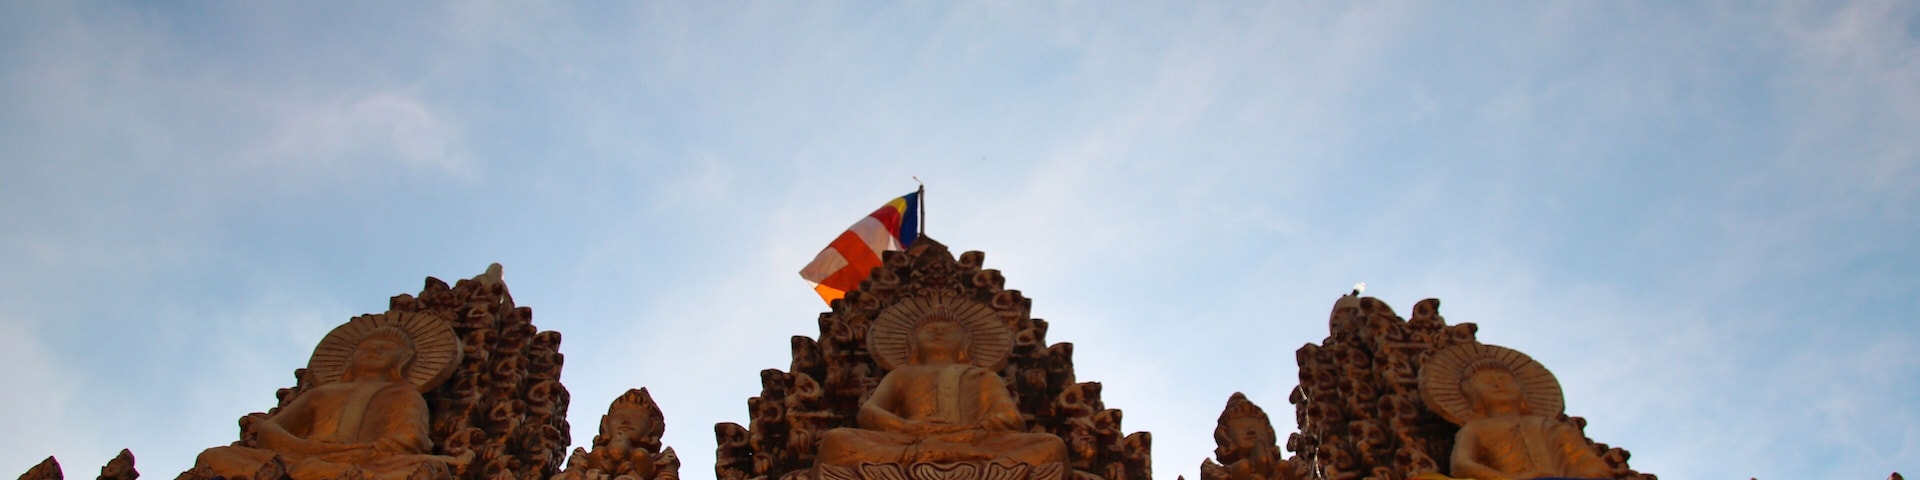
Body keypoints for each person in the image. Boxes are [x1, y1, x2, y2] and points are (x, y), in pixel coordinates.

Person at [196, 316, 461, 480]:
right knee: (215, 456)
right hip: (300, 456)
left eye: (386, 349)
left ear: (404, 358)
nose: (374, 352)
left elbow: (408, 440)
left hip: (365, 460)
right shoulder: (322, 393)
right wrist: (304, 447)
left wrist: (355, 452)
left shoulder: (403, 394)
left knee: (427, 468)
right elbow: (270, 430)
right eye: (368, 347)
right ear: (351, 355)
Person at [814, 303, 1067, 467]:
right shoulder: (902, 374)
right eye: (929, 330)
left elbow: (1010, 419)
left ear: (966, 342)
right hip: (910, 440)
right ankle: (933, 455)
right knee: (836, 441)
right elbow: (869, 413)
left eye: (948, 329)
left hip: (973, 440)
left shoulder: (982, 376)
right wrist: (910, 427)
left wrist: (969, 432)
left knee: (1051, 446)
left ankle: (942, 453)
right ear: (912, 342)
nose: (938, 332)